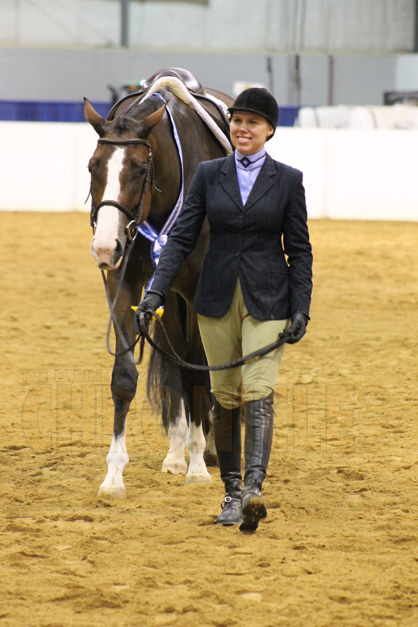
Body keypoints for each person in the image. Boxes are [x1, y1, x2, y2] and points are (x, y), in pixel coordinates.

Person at [134, 87, 313, 532]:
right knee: (225, 397)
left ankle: (253, 488)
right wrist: (155, 293)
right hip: (214, 301)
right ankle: (232, 494)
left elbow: (300, 251)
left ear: (270, 130)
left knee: (258, 391)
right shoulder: (208, 175)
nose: (242, 128)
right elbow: (181, 238)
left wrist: (301, 308)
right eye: (237, 121)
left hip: (268, 300)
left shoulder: (288, 180)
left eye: (252, 122)